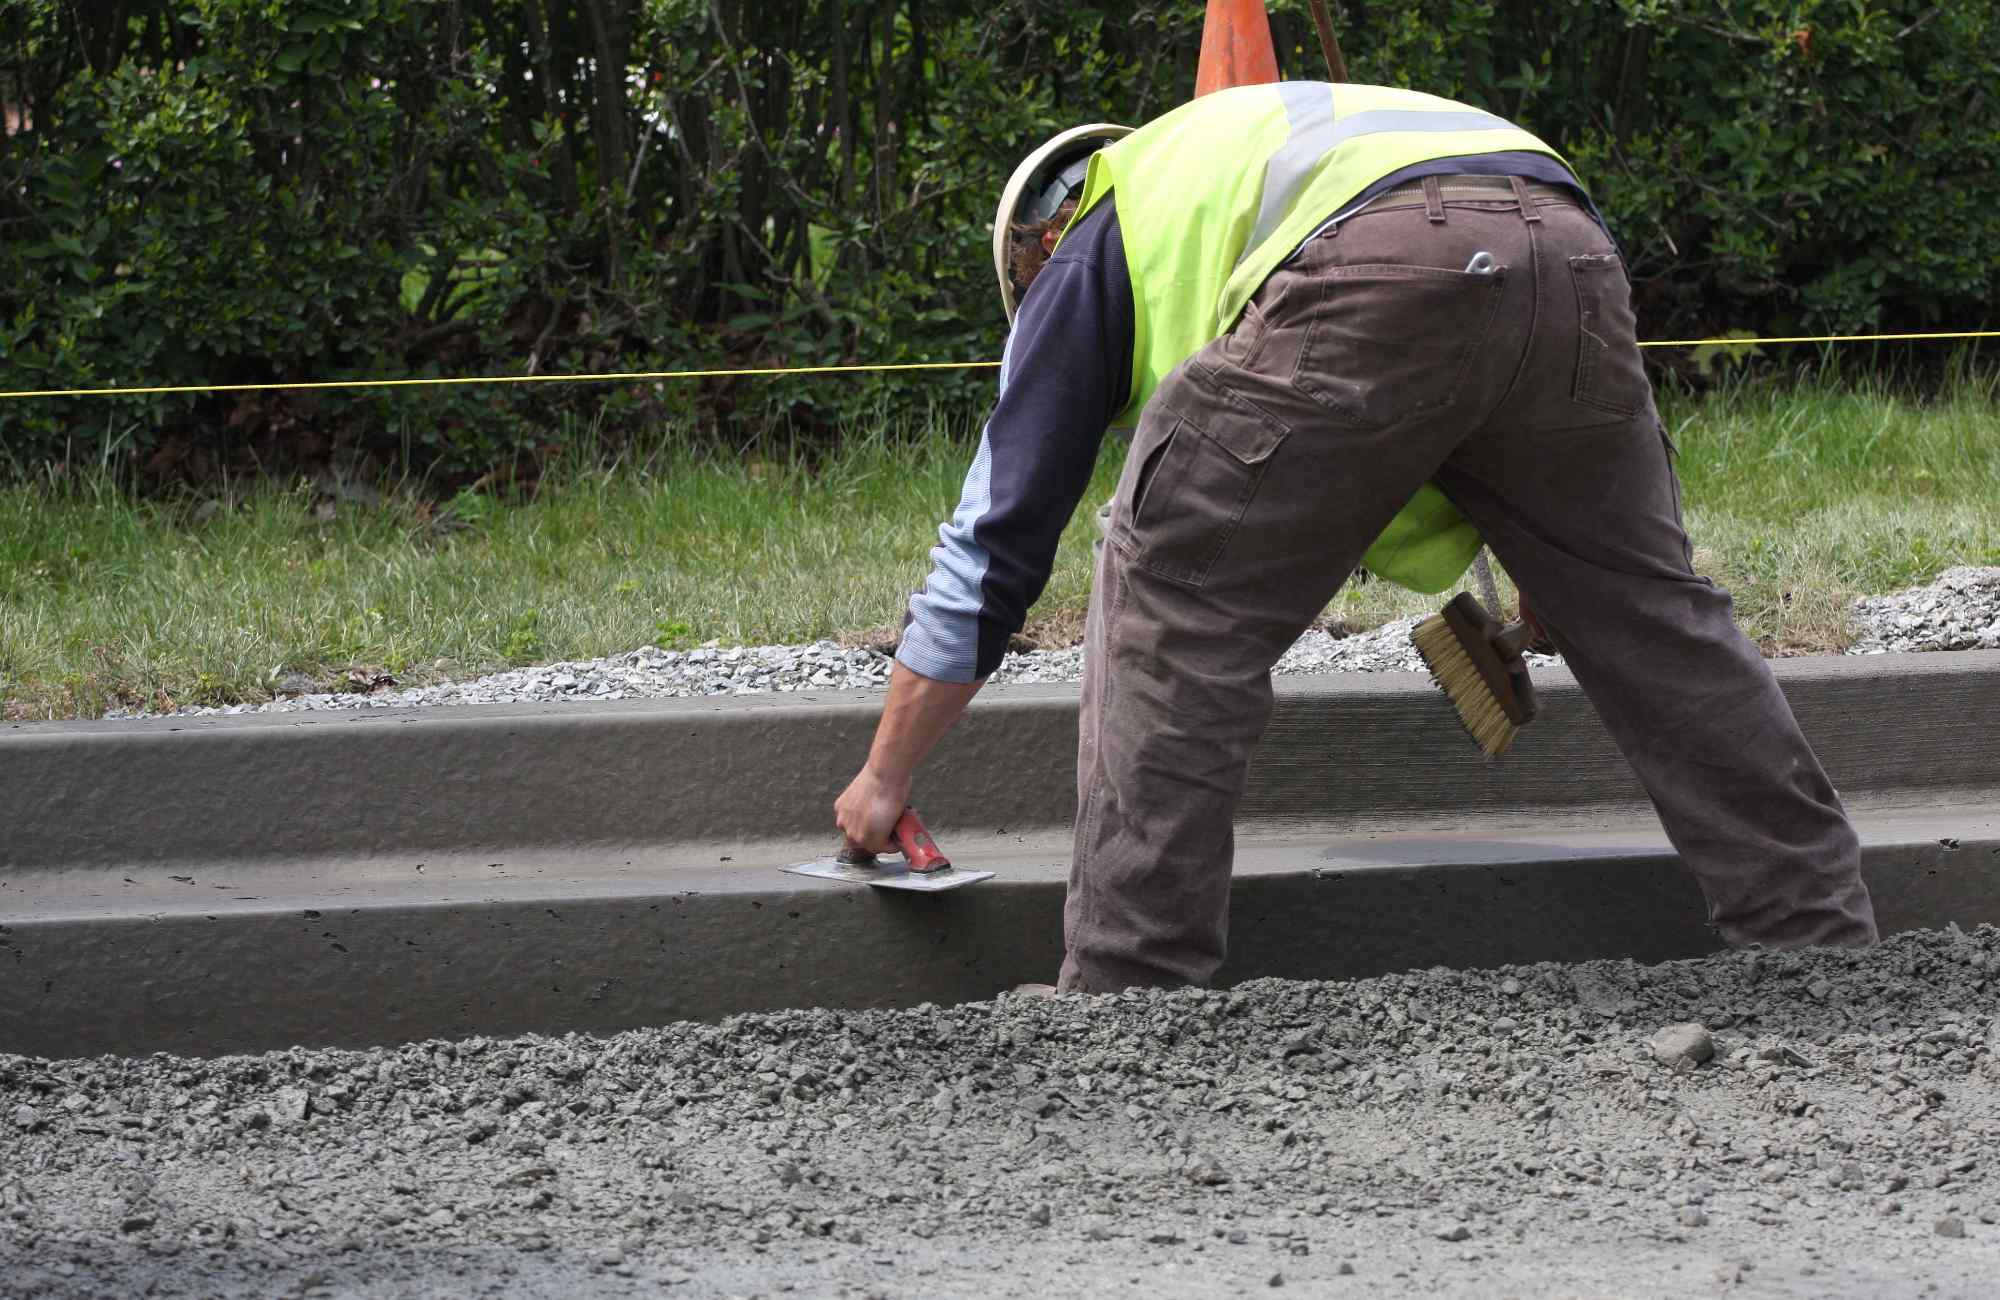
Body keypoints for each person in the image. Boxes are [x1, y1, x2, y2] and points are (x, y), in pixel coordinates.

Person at [834, 81, 1878, 994]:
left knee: (1172, 595)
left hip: (1370, 250)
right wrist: (1566, 573)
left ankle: (1128, 989)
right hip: (1564, 242)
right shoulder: (1253, 156)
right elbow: (1487, 351)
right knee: (1653, 613)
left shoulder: (1094, 230)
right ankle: (1818, 938)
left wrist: (883, 778)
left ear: (1034, 247)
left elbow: (997, 540)